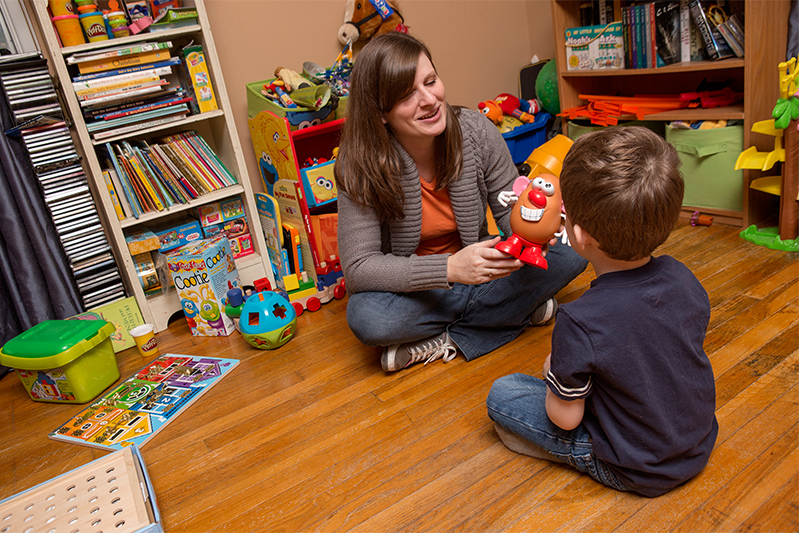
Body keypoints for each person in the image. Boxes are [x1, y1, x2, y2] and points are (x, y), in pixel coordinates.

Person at [333, 32, 587, 372]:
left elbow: (509, 215)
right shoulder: (358, 164)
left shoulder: (477, 132)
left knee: (572, 247)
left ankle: (445, 341)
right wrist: (451, 269)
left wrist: (539, 225)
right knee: (367, 317)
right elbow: (360, 267)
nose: (429, 99)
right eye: (407, 94)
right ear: (380, 112)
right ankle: (518, 311)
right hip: (417, 288)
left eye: (431, 81)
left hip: (485, 270)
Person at [486, 126, 719, 497]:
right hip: (698, 440)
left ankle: (569, 453)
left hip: (635, 467)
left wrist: (554, 373)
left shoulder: (580, 320)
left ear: (579, 236)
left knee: (503, 395)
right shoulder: (683, 276)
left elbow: (565, 418)